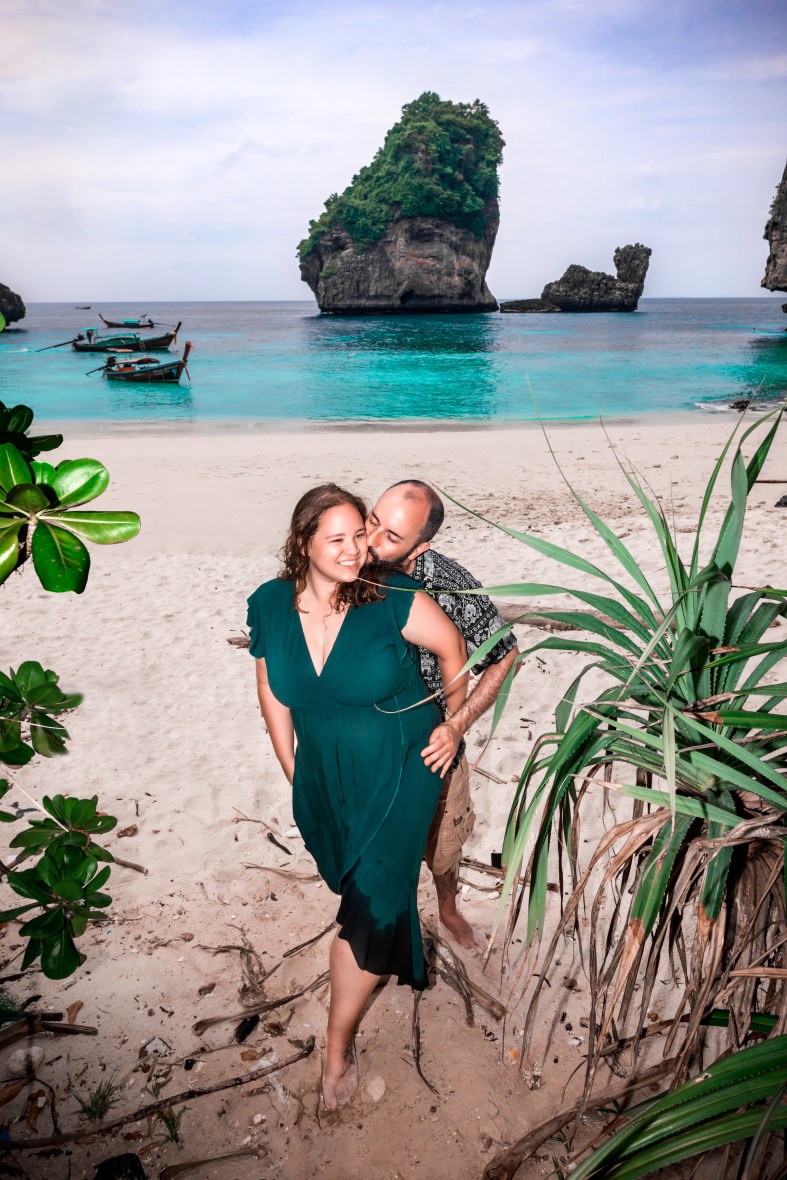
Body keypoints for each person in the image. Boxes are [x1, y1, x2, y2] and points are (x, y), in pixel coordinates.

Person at [247, 484, 467, 1110]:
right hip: (323, 771)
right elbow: (271, 690)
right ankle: (372, 955)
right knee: (356, 889)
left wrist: (450, 726)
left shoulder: (394, 596)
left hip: (403, 765)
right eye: (337, 539)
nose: (356, 549)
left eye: (359, 535)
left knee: (370, 910)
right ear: (303, 543)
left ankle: (336, 1049)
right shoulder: (268, 605)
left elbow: (454, 652)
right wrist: (294, 768)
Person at [366, 480, 519, 952]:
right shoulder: (351, 566)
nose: (370, 542)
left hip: (435, 747)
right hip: (370, 743)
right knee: (382, 850)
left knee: (444, 845)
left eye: (391, 537)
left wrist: (457, 725)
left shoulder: (449, 582)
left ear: (421, 546)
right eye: (372, 521)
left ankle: (448, 909)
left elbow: (505, 654)